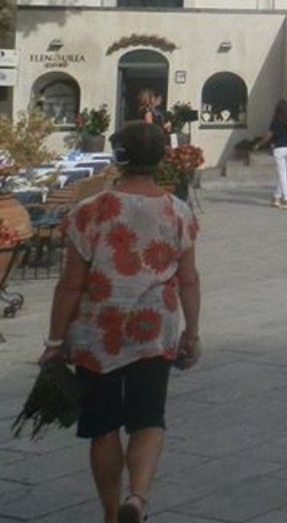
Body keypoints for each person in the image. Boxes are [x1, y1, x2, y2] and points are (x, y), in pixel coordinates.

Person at [40, 121, 200, 523]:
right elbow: (189, 279)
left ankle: (112, 515)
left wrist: (56, 340)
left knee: (104, 427)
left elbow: (70, 285)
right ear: (162, 157)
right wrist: (191, 333)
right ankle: (138, 497)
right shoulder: (177, 211)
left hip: (99, 330)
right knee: (149, 418)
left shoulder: (89, 211)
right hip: (153, 327)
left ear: (119, 157)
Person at [267, 95, 287, 210]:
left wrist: (259, 144)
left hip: (279, 149)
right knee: (282, 174)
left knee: (282, 175)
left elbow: (270, 135)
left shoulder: (275, 121)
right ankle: (276, 197)